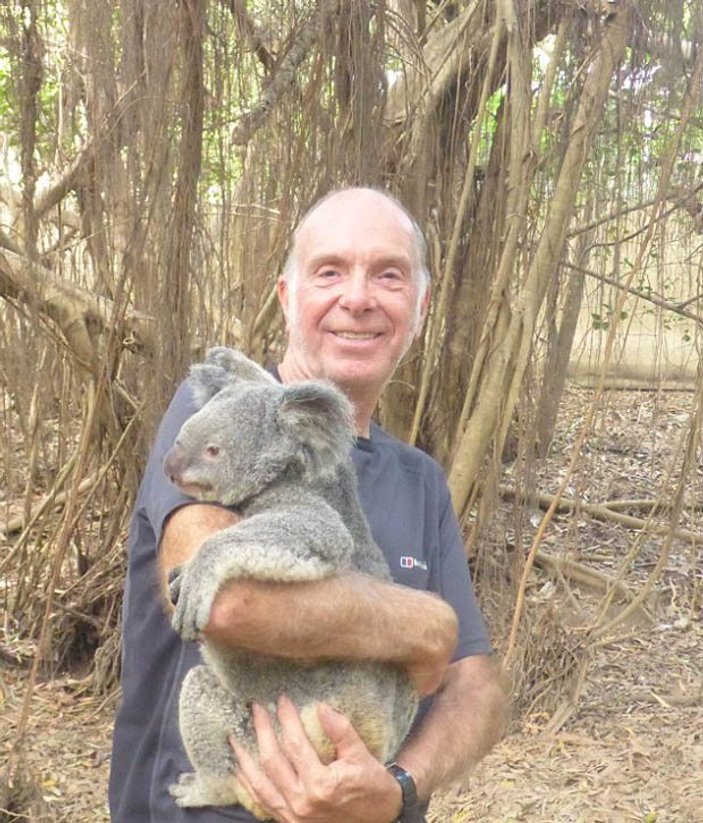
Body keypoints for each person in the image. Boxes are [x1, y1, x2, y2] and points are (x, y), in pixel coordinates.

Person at [109, 187, 508, 822]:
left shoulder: (421, 480)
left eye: (389, 275)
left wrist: (399, 786)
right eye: (329, 271)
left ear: (420, 306)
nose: (358, 297)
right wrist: (422, 626)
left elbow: (473, 684)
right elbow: (228, 602)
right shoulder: (223, 411)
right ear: (286, 296)